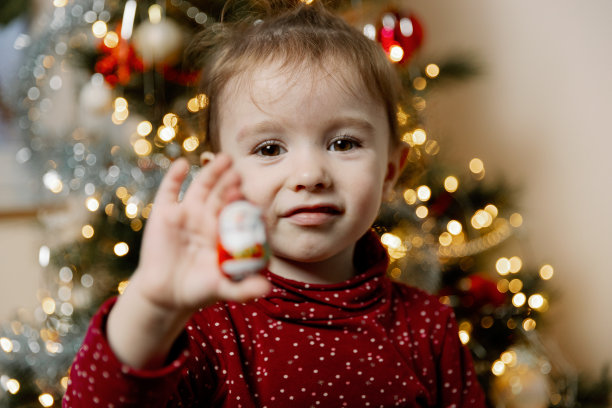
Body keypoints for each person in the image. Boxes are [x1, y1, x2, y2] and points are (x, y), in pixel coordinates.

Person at [64, 1, 486, 406]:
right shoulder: (207, 329)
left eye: (344, 143)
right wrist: (151, 305)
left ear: (391, 171)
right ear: (223, 178)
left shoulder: (430, 327)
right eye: (269, 148)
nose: (309, 175)